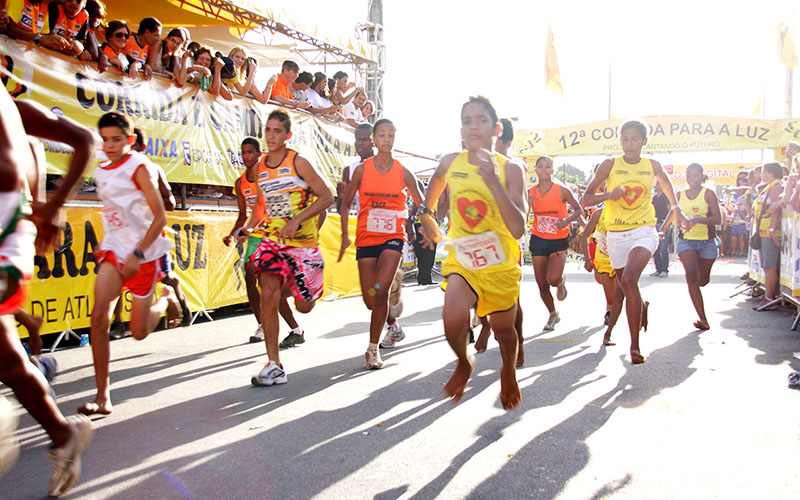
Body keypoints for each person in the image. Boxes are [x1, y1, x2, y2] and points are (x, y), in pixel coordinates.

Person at [0, 88, 95, 497]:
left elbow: (84, 140)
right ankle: (62, 434)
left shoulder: (14, 107)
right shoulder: (15, 109)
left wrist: (53, 205)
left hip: (6, 237)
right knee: (7, 359)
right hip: (12, 235)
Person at [419, 96, 526, 410]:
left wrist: (492, 181)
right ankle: (464, 362)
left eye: (481, 120)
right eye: (467, 120)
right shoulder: (451, 162)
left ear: (496, 129)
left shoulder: (512, 169)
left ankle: (508, 370)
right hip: (463, 259)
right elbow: (436, 181)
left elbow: (518, 228)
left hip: (500, 264)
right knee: (452, 317)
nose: (473, 126)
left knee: (505, 332)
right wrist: (425, 215)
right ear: (460, 129)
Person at [78, 112, 182, 417]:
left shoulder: (139, 167)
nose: (110, 145)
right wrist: (107, 241)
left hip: (144, 255)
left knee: (138, 332)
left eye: (117, 139)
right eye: (105, 140)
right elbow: (112, 210)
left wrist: (137, 253)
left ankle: (165, 299)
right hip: (114, 251)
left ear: (131, 140)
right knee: (99, 318)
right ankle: (102, 397)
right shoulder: (101, 169)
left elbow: (160, 217)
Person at [582, 119, 689, 364]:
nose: (629, 144)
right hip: (616, 234)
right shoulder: (610, 165)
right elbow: (586, 199)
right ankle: (641, 306)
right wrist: (609, 195)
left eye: (634, 139)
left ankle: (635, 346)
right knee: (625, 286)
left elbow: (667, 185)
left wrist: (677, 210)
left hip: (644, 230)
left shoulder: (652, 165)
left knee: (629, 279)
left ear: (644, 141)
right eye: (625, 139)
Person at [239, 110, 333, 386]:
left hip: (303, 246)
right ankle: (274, 364)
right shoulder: (260, 168)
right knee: (267, 292)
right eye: (268, 130)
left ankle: (302, 280)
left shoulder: (298, 162)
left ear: (287, 135)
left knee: (304, 306)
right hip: (273, 241)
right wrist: (247, 228)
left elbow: (326, 197)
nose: (271, 136)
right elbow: (260, 206)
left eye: (277, 131)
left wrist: (297, 220)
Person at [338, 119, 425, 367]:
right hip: (366, 237)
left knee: (380, 293)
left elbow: (421, 202)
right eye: (382, 135)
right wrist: (344, 235)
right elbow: (345, 203)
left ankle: (372, 349)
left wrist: (420, 222)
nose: (386, 139)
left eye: (390, 135)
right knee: (370, 300)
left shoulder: (403, 171)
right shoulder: (361, 170)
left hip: (392, 237)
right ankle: (393, 286)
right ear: (374, 140)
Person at [223, 138, 306, 347]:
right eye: (243, 152)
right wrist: (233, 233)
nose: (246, 156)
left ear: (259, 154)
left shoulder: (269, 177)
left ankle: (295, 329)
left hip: (273, 233)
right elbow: (243, 215)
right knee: (250, 277)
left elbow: (279, 207)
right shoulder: (240, 183)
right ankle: (262, 325)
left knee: (270, 284)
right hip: (255, 236)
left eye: (250, 152)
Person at [658, 163, 721, 330]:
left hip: (707, 242)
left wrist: (698, 220)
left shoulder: (708, 194)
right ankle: (703, 318)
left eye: (695, 175)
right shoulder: (680, 195)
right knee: (691, 276)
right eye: (688, 175)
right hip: (686, 241)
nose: (691, 179)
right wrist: (663, 230)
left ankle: (698, 292)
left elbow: (718, 219)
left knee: (702, 281)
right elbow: (673, 213)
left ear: (702, 176)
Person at [527, 155, 582, 330]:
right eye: (540, 166)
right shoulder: (531, 192)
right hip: (538, 239)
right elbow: (524, 215)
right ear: (535, 170)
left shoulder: (562, 190)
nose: (544, 169)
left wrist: (567, 221)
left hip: (558, 240)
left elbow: (579, 210)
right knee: (542, 285)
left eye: (547, 166)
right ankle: (553, 314)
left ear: (552, 170)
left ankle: (560, 281)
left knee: (553, 279)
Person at [580, 205, 622, 344]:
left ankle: (609, 331)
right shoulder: (599, 213)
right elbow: (585, 235)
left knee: (619, 294)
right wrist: (587, 259)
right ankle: (610, 310)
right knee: (611, 298)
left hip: (622, 258)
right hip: (603, 258)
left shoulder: (628, 212)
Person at [751, 162, 784, 310]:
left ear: (772, 173)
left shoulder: (776, 187)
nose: (762, 175)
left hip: (770, 232)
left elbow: (776, 210)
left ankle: (770, 297)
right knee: (766, 265)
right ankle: (768, 294)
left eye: (764, 172)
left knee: (770, 266)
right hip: (763, 231)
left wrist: (771, 230)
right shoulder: (768, 187)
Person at [0, 0, 71, 52]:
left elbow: (45, 36)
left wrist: (61, 42)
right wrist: (39, 38)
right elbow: (9, 29)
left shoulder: (45, 6)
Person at [650, 180, 671, 277]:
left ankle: (664, 270)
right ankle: (658, 269)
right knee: (655, 248)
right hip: (654, 224)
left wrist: (667, 224)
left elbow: (670, 210)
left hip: (663, 224)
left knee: (663, 248)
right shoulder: (654, 198)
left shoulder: (666, 197)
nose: (655, 186)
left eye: (657, 184)